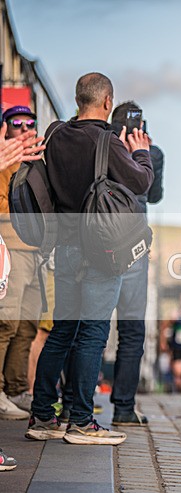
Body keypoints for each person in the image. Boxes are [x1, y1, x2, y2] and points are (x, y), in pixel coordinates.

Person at [26, 72, 152, 445]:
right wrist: (141, 152)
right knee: (93, 332)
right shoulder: (108, 142)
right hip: (99, 249)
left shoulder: (55, 134)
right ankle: (81, 420)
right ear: (107, 102)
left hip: (63, 247)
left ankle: (43, 415)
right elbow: (142, 183)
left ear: (78, 98)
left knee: (62, 331)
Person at [107, 101, 164, 426]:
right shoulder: (152, 153)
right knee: (131, 331)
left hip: (99, 243)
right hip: (134, 249)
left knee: (91, 328)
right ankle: (124, 408)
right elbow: (154, 195)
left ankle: (74, 406)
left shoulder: (104, 146)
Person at [0, 106, 46, 419]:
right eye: (18, 123)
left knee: (28, 325)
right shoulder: (4, 163)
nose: (26, 128)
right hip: (11, 248)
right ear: (6, 129)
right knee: (6, 321)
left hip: (36, 252)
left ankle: (16, 390)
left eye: (30, 122)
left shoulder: (38, 163)